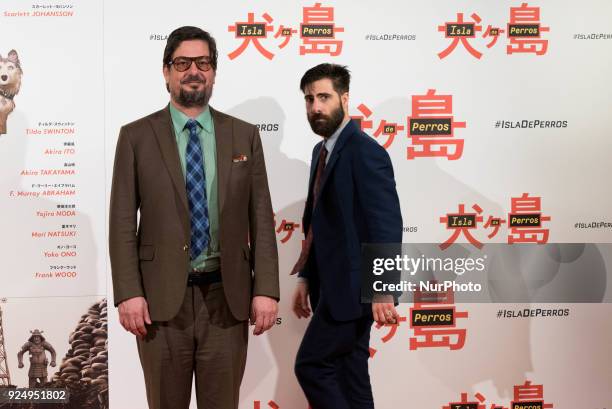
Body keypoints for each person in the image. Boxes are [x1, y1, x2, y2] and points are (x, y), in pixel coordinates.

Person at [109, 26, 279, 409]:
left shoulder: (244, 135)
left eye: (203, 63)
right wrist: (129, 292)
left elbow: (261, 219)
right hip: (159, 304)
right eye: (182, 63)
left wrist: (266, 288)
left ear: (214, 72)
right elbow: (121, 222)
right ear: (166, 71)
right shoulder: (136, 136)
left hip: (227, 298)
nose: (193, 71)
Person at [291, 63, 403, 409]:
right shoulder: (321, 151)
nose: (316, 107)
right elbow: (318, 225)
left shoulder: (364, 151)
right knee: (351, 374)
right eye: (309, 99)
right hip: (332, 287)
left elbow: (386, 223)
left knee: (310, 365)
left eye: (323, 97)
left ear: (345, 98)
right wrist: (307, 276)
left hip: (356, 292)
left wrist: (383, 289)